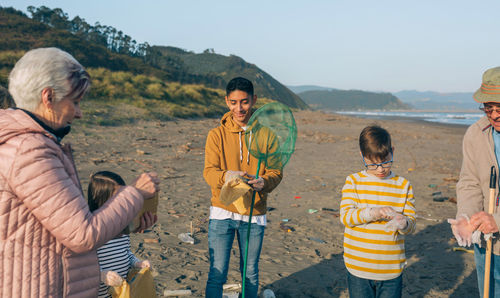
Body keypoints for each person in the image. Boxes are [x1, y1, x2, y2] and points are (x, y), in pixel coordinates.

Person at [0, 47, 159, 297]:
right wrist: (135, 193)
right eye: (75, 101)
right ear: (48, 97)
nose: (80, 112)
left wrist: (130, 220)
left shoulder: (27, 144)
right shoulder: (30, 151)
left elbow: (59, 223)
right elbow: (82, 233)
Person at [203, 77, 283, 297]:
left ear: (254, 100)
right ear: (227, 101)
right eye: (234, 102)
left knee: (250, 273)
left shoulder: (267, 136)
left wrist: (264, 182)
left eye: (245, 102)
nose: (239, 108)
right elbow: (209, 173)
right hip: (222, 211)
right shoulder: (215, 135)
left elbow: (276, 173)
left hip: (253, 214)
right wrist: (228, 175)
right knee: (217, 274)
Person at [339, 125, 416, 298]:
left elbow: (411, 225)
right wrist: (373, 212)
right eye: (373, 164)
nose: (381, 169)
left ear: (393, 151)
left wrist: (404, 223)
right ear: (362, 156)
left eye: (386, 162)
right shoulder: (354, 182)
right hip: (359, 267)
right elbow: (346, 217)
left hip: (391, 269)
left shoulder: (403, 185)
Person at [451, 66, 500, 297]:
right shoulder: (475, 133)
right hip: (487, 243)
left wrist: (498, 220)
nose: (494, 115)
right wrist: (466, 217)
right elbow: (469, 181)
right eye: (488, 108)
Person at [87, 171, 152, 298]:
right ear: (101, 200)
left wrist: (137, 263)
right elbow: (81, 269)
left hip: (122, 292)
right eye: (118, 199)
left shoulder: (122, 228)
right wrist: (101, 275)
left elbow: (126, 252)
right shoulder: (91, 232)